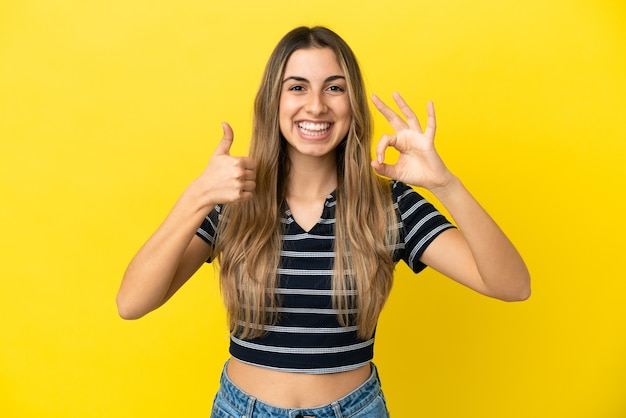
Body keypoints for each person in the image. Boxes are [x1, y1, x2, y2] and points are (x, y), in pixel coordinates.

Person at [116, 26, 530, 418]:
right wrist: (197, 196)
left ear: (353, 105)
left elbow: (511, 285)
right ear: (272, 102)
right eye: (297, 87)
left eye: (335, 87)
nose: (316, 105)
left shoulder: (390, 205)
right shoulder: (232, 199)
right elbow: (132, 303)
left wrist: (446, 184)